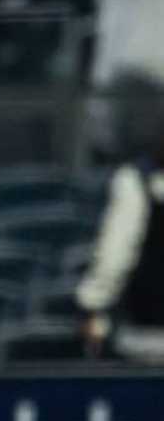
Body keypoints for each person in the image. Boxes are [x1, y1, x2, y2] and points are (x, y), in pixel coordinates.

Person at [77, 136, 164, 363]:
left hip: (147, 335)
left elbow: (116, 257)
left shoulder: (134, 182)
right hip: (147, 330)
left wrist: (93, 304)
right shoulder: (137, 182)